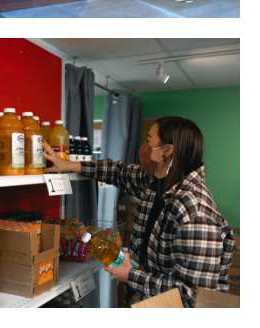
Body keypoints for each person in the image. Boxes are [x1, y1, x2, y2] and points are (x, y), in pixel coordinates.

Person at [44, 117, 233, 307]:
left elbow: (192, 295)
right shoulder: (156, 183)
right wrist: (69, 165)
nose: (143, 147)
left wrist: (131, 276)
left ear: (166, 151)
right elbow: (119, 171)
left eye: (148, 141)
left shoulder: (195, 211)